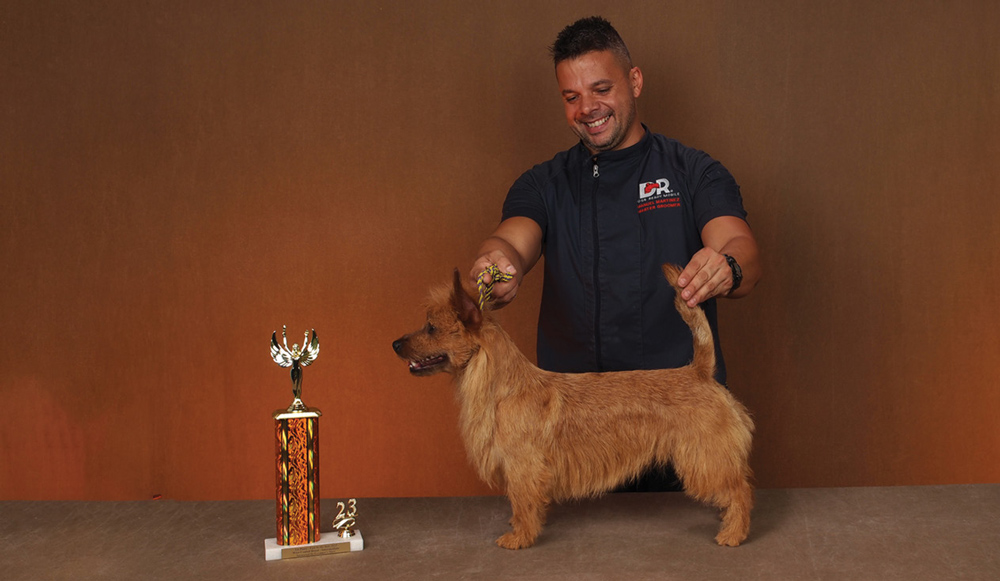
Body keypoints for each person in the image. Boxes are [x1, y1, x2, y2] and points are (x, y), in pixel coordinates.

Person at [470, 16, 761, 491]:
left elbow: (742, 249)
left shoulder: (693, 171)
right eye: (571, 97)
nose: (588, 108)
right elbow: (510, 239)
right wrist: (495, 260)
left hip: (674, 424)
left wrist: (725, 265)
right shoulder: (543, 184)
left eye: (601, 88)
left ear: (635, 80)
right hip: (572, 440)